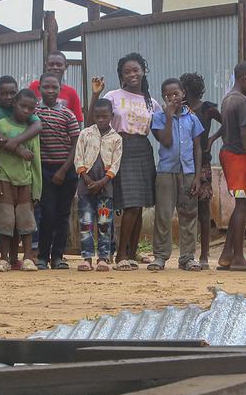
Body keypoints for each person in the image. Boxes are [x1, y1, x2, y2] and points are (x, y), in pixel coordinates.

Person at [89, 52, 159, 270]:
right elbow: (92, 118)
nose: (132, 74)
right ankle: (120, 255)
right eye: (127, 71)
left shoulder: (152, 102)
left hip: (143, 149)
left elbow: (160, 131)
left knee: (139, 205)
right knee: (130, 203)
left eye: (136, 70)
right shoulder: (112, 96)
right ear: (121, 75)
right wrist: (95, 95)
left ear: (143, 71)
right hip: (120, 147)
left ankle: (132, 251)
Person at [0, 75, 41, 268]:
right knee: (3, 218)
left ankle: (26, 258)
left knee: (25, 220)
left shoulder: (30, 125)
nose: (8, 97)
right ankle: (3, 258)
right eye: (4, 93)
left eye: (12, 93)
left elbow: (36, 161)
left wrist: (37, 188)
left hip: (25, 180)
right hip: (3, 177)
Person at [150, 78, 205, 271]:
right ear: (163, 97)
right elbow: (165, 141)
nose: (173, 97)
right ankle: (160, 256)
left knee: (189, 214)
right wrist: (168, 116)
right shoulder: (158, 117)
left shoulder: (192, 118)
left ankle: (187, 257)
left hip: (188, 172)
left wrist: (198, 177)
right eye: (168, 95)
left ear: (183, 94)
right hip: (166, 171)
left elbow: (198, 148)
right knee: (163, 215)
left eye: (176, 94)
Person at [216, 62, 246, 272]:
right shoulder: (242, 101)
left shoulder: (227, 99)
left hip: (227, 153)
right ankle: (238, 258)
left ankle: (227, 255)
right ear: (245, 79)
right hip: (238, 156)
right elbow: (245, 135)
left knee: (240, 205)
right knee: (243, 206)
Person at [34, 72, 81, 270]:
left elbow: (76, 143)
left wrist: (63, 170)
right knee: (47, 213)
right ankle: (43, 256)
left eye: (54, 87)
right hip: (44, 169)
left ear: (60, 89)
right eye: (46, 87)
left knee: (63, 215)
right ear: (40, 88)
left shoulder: (67, 114)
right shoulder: (34, 112)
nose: (50, 91)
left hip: (66, 170)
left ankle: (58, 257)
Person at [180, 72, 223, 270]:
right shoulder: (180, 110)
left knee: (203, 209)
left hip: (203, 163)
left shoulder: (207, 109)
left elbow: (227, 123)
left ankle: (204, 254)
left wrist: (213, 138)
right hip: (183, 163)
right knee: (187, 210)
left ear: (187, 90)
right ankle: (187, 253)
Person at [74, 99, 122, 272]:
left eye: (105, 116)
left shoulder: (116, 138)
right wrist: (87, 179)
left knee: (104, 223)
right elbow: (78, 158)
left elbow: (115, 164)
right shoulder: (85, 134)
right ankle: (87, 258)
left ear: (111, 116)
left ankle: (103, 257)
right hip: (85, 188)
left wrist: (102, 181)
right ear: (92, 115)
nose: (101, 119)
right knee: (86, 222)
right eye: (97, 116)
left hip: (105, 188)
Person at [28, 50, 84, 123]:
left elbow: (77, 122)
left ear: (65, 66)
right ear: (45, 66)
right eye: (51, 64)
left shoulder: (71, 93)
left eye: (59, 64)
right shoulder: (34, 86)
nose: (55, 67)